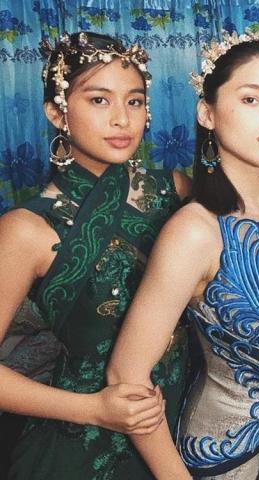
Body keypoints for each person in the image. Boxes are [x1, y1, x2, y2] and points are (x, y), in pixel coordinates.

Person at [107, 31, 259, 479]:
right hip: (231, 456)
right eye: (251, 99)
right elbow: (124, 375)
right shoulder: (195, 232)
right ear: (207, 113)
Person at [0, 32, 191, 479]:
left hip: (183, 427)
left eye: (135, 101)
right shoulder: (26, 229)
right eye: (99, 100)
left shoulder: (175, 191)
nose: (122, 119)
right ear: (57, 113)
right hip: (80, 445)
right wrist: (92, 409)